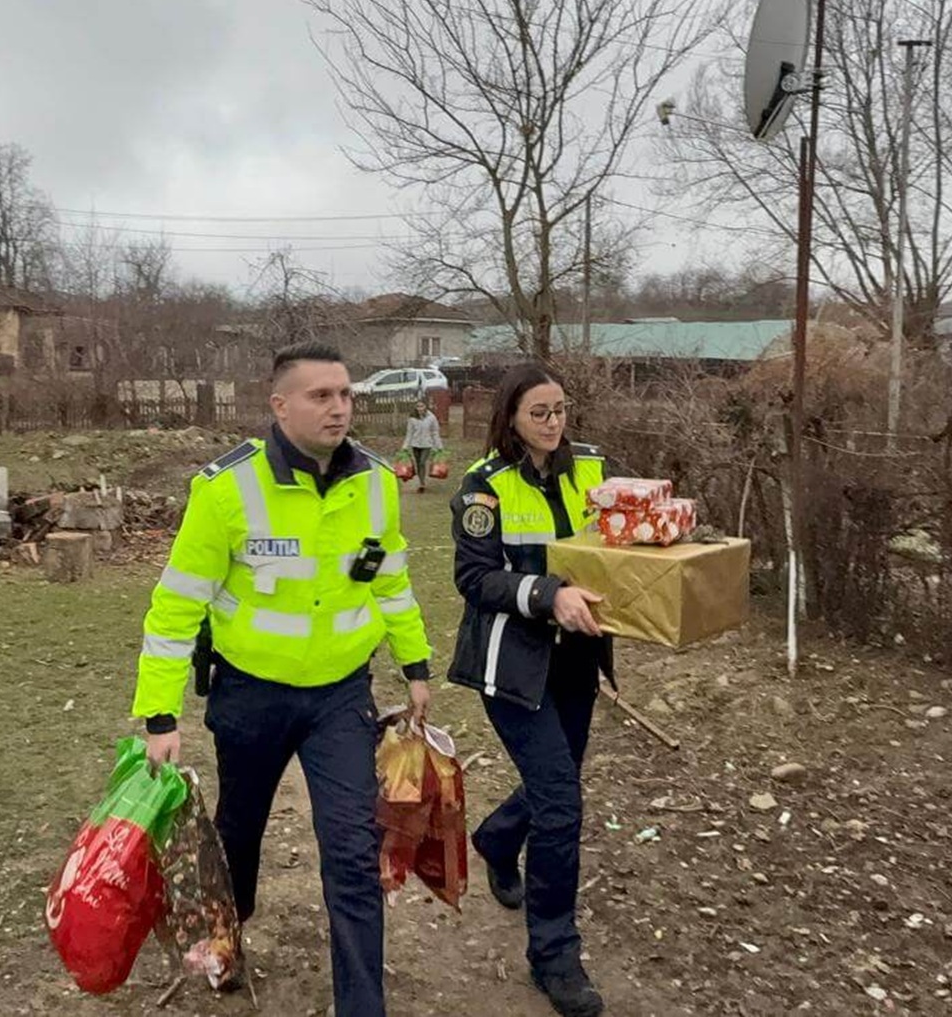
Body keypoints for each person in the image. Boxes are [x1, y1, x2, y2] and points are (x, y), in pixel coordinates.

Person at [132, 342, 433, 1017]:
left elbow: (390, 580)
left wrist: (415, 666)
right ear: (280, 405)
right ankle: (226, 942)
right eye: (321, 395)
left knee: (354, 852)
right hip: (251, 697)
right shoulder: (225, 489)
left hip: (339, 696)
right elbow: (176, 606)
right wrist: (159, 715)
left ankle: (363, 1004)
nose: (338, 407)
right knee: (239, 835)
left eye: (346, 394)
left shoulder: (377, 483)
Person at [445, 363, 612, 1017]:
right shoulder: (483, 488)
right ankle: (553, 955)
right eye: (539, 412)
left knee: (558, 779)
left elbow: (619, 541)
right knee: (563, 803)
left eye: (561, 409)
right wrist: (546, 594)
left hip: (577, 660)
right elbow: (474, 579)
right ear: (511, 417)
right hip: (511, 666)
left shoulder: (592, 469)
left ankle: (495, 836)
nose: (553, 422)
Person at [402, 398, 443, 492]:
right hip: (415, 444)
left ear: (426, 406)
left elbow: (435, 432)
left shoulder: (431, 418)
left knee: (422, 462)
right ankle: (421, 481)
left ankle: (422, 483)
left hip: (427, 444)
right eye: (418, 406)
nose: (420, 408)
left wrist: (439, 446)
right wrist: (405, 446)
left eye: (422, 406)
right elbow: (409, 433)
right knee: (418, 464)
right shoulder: (412, 418)